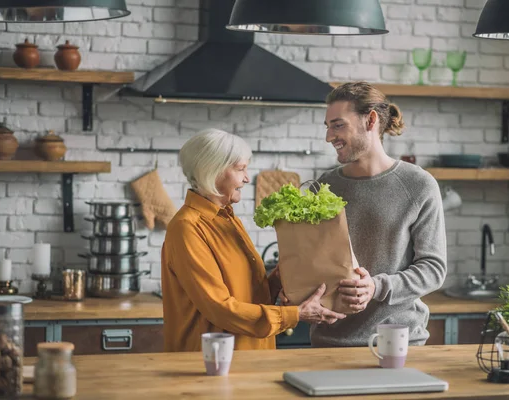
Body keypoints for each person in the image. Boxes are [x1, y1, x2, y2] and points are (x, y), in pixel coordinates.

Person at [161, 129, 345, 352]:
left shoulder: (227, 219)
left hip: (250, 356)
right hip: (211, 363)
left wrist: (282, 276)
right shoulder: (187, 227)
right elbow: (220, 309)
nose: (247, 178)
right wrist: (295, 315)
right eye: (240, 169)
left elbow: (250, 294)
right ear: (212, 171)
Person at [312, 81, 447, 347]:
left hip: (396, 342)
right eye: (327, 127)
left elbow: (433, 269)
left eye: (338, 125)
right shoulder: (323, 186)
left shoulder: (418, 185)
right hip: (329, 343)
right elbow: (314, 261)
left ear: (370, 120)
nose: (329, 137)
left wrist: (376, 287)